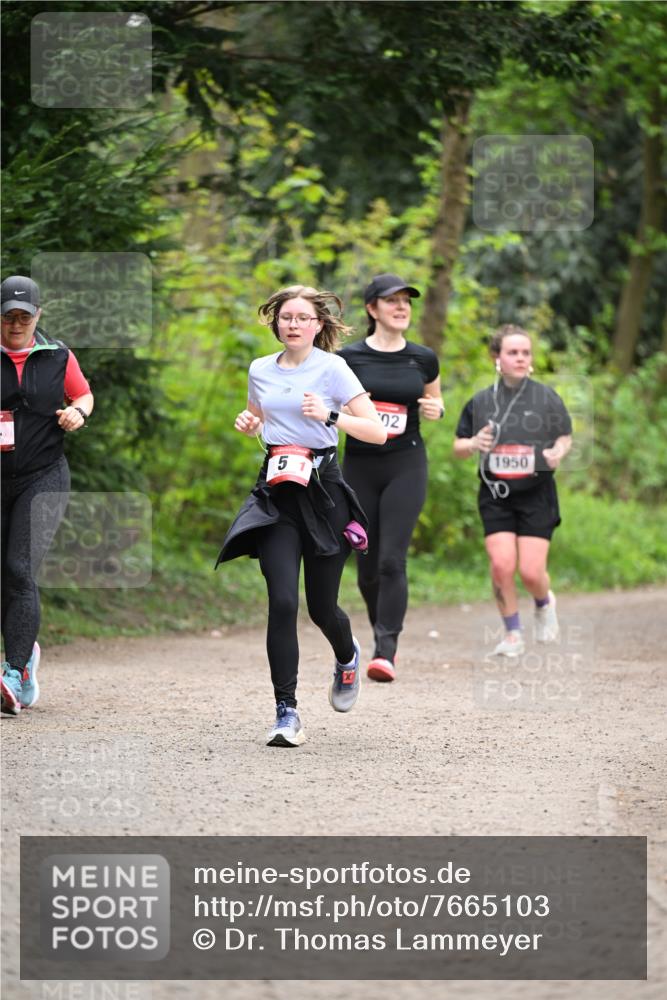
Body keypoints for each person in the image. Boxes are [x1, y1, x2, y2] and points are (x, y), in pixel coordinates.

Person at [216, 284, 386, 747]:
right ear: (276, 323)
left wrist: (331, 416)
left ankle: (346, 654)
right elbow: (258, 415)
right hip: (276, 494)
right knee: (283, 603)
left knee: (321, 607)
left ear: (318, 325)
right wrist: (249, 422)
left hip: (325, 493)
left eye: (302, 318)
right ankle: (286, 712)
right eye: (286, 317)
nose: (293, 324)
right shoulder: (259, 369)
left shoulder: (333, 369)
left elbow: (375, 432)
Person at [337, 273, 443, 682]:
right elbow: (331, 405)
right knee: (365, 565)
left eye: (406, 301)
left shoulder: (423, 357)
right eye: (392, 300)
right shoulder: (348, 359)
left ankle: (386, 651)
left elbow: (435, 399)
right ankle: (380, 629)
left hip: (406, 464)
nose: (402, 307)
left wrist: (438, 410)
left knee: (391, 559)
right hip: (360, 466)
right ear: (371, 309)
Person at [1, 275, 94, 714]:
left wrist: (76, 412)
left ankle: (14, 671)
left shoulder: (58, 355)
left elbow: (84, 394)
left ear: (38, 315)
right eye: (8, 317)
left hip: (44, 476)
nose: (16, 324)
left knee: (20, 568)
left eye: (24, 316)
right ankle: (27, 654)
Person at [453, 324, 572, 656]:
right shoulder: (481, 401)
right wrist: (474, 443)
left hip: (537, 494)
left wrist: (558, 452)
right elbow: (458, 447)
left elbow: (564, 435)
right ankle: (513, 635)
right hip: (496, 494)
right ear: (497, 358)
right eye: (512, 352)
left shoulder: (545, 397)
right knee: (501, 564)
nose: (520, 358)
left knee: (532, 573)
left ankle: (544, 602)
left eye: (525, 353)